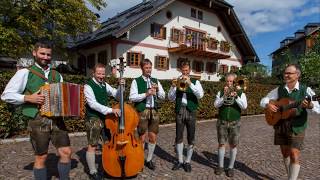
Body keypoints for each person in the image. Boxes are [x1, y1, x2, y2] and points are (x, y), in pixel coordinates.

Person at [1, 41, 72, 180]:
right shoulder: (24, 73)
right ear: (34, 53)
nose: (45, 57)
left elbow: (62, 96)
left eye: (48, 54)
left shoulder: (57, 75)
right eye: (42, 53)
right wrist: (28, 98)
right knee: (41, 156)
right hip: (37, 119)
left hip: (57, 119)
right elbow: (6, 95)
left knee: (66, 152)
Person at [260, 64, 320, 180]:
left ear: (297, 75)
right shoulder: (279, 89)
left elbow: (318, 109)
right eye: (285, 73)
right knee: (285, 153)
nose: (286, 75)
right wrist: (268, 105)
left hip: (297, 126)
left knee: (294, 154)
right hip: (281, 125)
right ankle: (290, 176)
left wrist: (310, 105)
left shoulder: (306, 90)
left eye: (289, 73)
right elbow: (264, 100)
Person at [84, 63, 124, 180]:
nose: (101, 76)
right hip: (93, 118)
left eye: (103, 74)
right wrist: (111, 110)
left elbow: (116, 95)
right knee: (92, 145)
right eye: (99, 74)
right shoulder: (88, 86)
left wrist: (120, 87)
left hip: (104, 118)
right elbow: (93, 104)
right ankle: (92, 172)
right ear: (94, 73)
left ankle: (107, 167)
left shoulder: (104, 84)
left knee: (107, 144)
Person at [129, 59, 165, 170]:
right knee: (142, 137)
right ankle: (139, 159)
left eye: (150, 67)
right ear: (142, 68)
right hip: (142, 111)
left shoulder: (155, 80)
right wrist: (146, 94)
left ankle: (149, 160)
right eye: (146, 68)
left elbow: (163, 96)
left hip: (154, 110)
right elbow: (132, 97)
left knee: (153, 136)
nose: (149, 70)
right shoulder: (136, 81)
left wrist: (158, 90)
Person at [168, 61, 204, 172]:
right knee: (178, 136)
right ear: (181, 70)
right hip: (180, 110)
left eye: (187, 71)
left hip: (191, 111)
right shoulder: (177, 81)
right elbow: (170, 98)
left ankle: (187, 161)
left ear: (190, 70)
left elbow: (200, 95)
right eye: (183, 71)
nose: (185, 72)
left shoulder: (195, 82)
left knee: (191, 137)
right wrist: (173, 87)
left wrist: (190, 84)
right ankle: (179, 160)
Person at [213, 73, 247, 177]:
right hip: (222, 121)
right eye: (227, 81)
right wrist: (223, 96)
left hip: (235, 122)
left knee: (233, 145)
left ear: (235, 82)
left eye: (231, 81)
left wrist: (236, 96)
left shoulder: (241, 93)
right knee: (221, 144)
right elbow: (216, 105)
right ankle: (220, 166)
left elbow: (244, 106)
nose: (229, 83)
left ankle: (231, 167)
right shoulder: (220, 92)